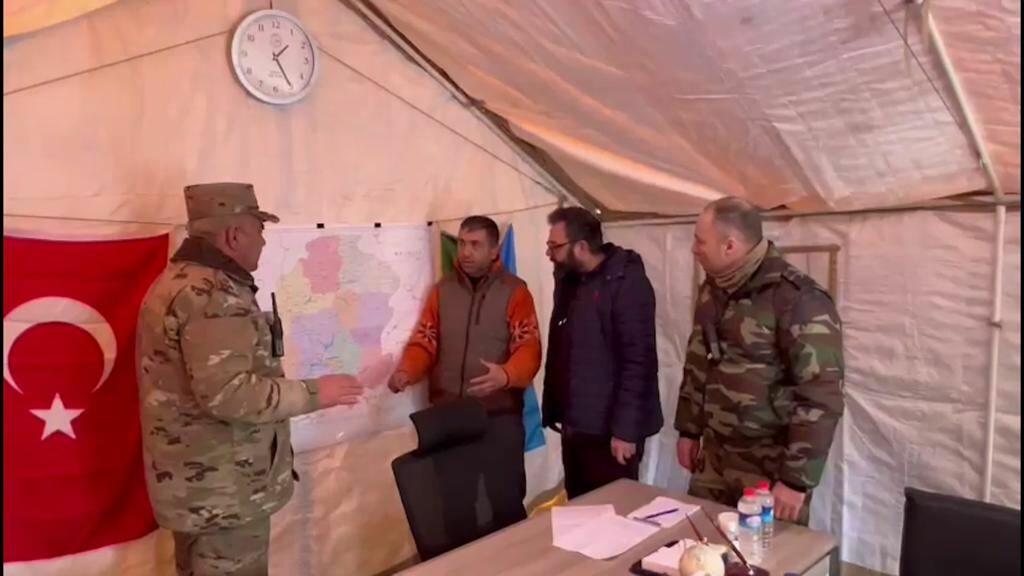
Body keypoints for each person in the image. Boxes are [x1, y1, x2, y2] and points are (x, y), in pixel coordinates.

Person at [137, 182, 365, 576]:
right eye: (259, 229)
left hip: (201, 488)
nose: (263, 240)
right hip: (225, 494)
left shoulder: (179, 281)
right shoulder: (213, 295)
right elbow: (229, 393)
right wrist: (315, 393)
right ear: (233, 235)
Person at [675, 196, 845, 525]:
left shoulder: (798, 299)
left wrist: (796, 480)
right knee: (702, 542)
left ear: (729, 246)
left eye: (700, 241)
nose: (694, 249)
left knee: (769, 552)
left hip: (770, 467)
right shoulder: (713, 289)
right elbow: (699, 362)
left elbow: (821, 394)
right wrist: (689, 430)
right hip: (714, 459)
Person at [388, 215, 542, 512]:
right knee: (454, 505)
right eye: (461, 243)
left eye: (475, 245)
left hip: (498, 417)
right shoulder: (442, 290)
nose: (466, 252)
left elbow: (529, 348)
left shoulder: (515, 292)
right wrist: (407, 371)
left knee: (505, 503)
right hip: (449, 417)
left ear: (494, 250)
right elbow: (425, 341)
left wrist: (506, 375)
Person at [542, 206, 663, 499]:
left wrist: (625, 431)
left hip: (611, 434)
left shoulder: (626, 283)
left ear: (582, 247)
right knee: (578, 510)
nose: (548, 254)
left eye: (554, 246)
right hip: (576, 426)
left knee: (615, 511)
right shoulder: (569, 281)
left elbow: (638, 361)